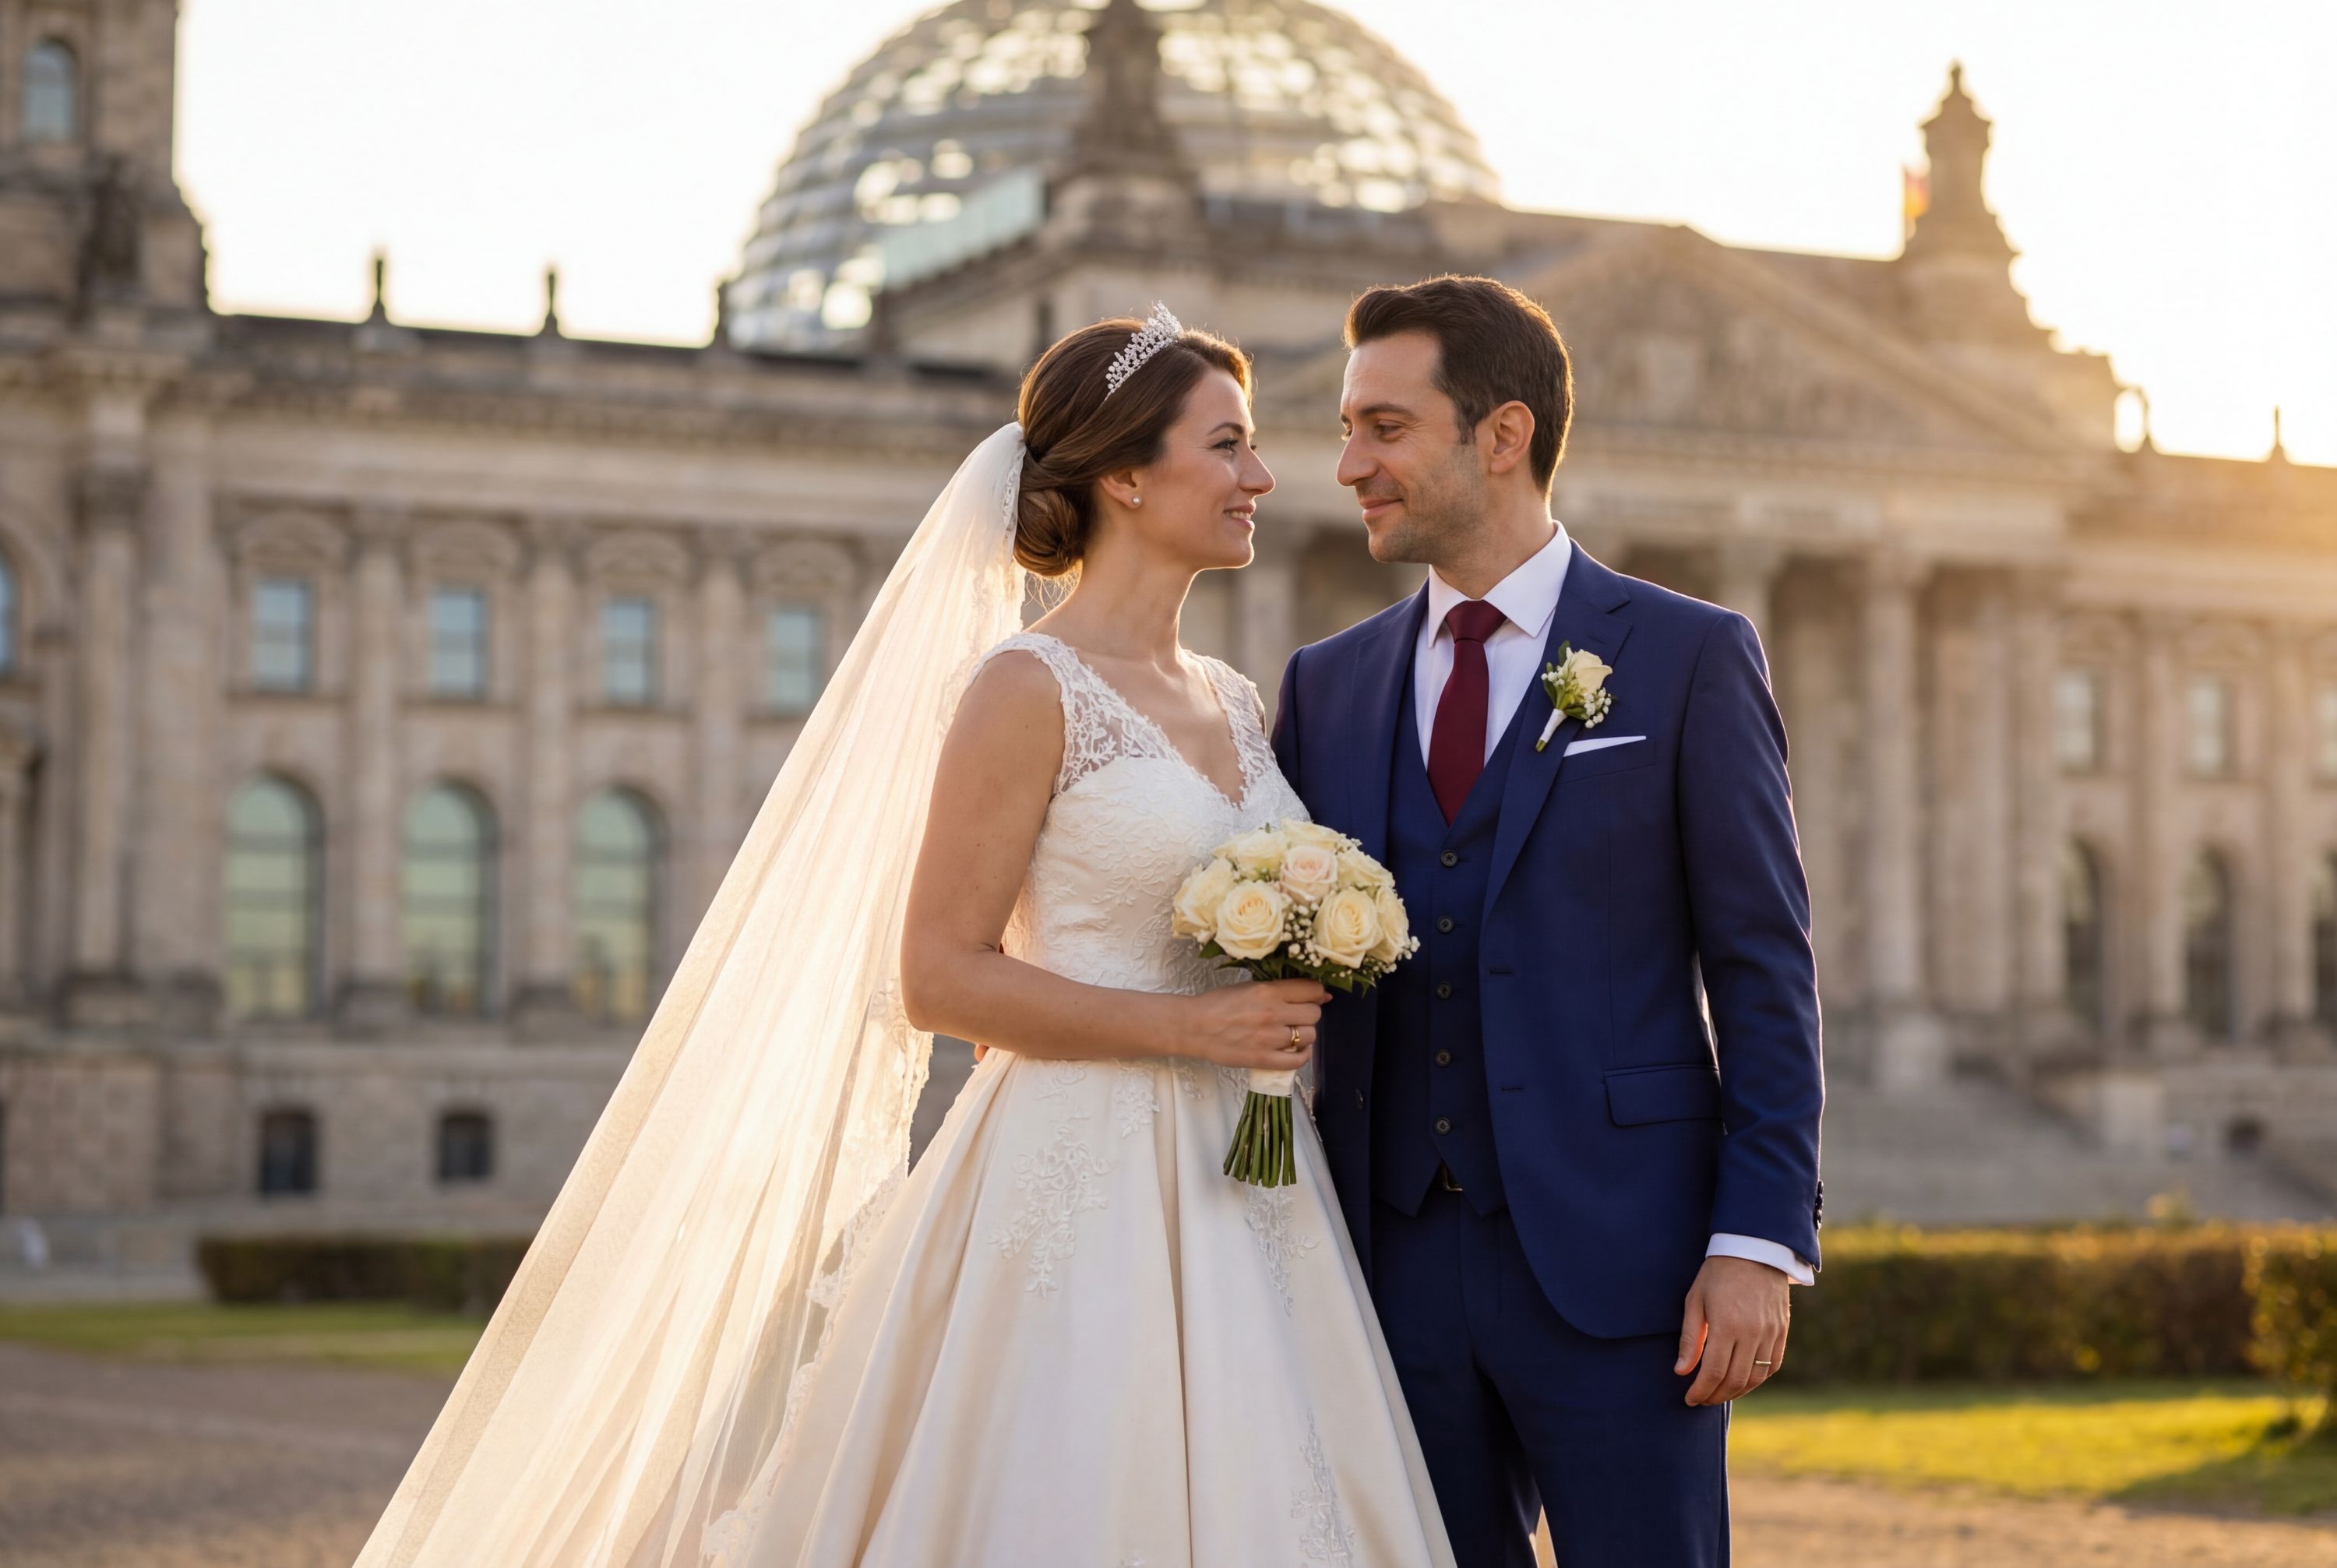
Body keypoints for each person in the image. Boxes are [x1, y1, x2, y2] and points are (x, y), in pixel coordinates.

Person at [354, 307, 1456, 1567]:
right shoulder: (1022, 687)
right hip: (1076, 1168)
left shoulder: (1239, 699)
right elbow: (937, 974)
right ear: (1127, 474)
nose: (1265, 477)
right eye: (1231, 446)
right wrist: (1188, 1025)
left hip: (1249, 1175)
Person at [1271, 274, 1827, 1568]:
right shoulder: (1325, 687)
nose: (1348, 461)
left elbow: (1763, 969)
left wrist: (1756, 1244)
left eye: (1385, 428)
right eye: (1349, 426)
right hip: (1388, 1268)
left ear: (1502, 436)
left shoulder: (1690, 654)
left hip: (1629, 1269)